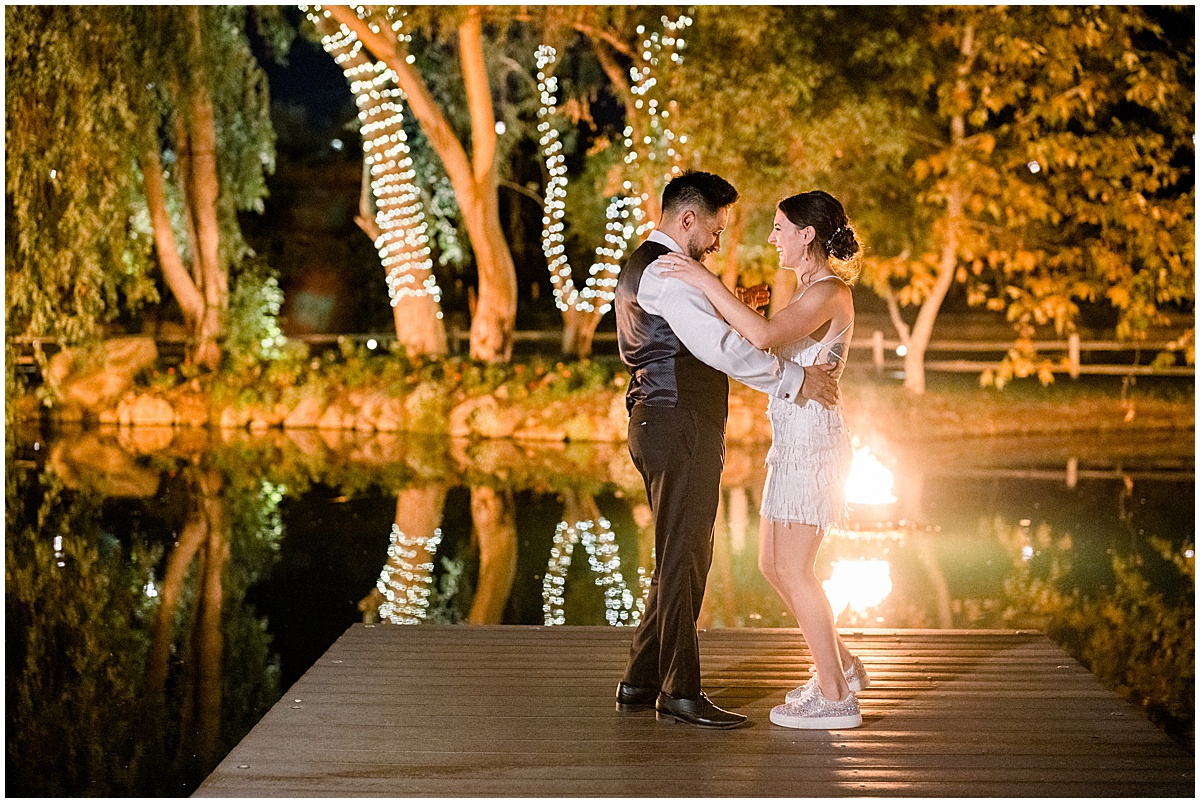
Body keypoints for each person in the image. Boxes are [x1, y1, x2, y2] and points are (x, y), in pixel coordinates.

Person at [613, 172, 840, 730]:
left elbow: (695, 333)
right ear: (688, 220)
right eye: (715, 228)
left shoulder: (652, 265)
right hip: (678, 422)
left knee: (675, 552)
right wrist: (794, 380)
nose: (718, 241)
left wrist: (730, 302)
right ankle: (680, 693)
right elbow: (717, 348)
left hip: (662, 419)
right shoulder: (670, 273)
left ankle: (641, 681)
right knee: (686, 557)